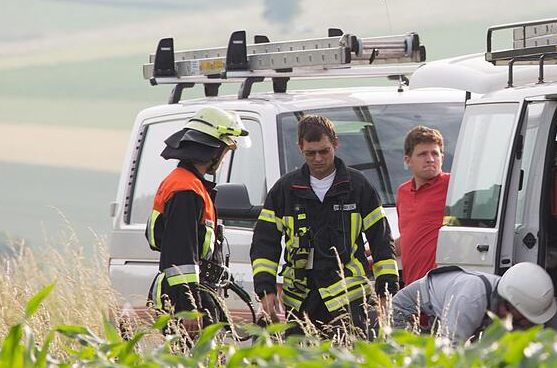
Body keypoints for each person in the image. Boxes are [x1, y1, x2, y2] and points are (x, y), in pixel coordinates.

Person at [251, 114, 399, 339]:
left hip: (348, 298)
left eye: (324, 151)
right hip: (300, 301)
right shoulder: (285, 190)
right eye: (311, 153)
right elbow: (264, 244)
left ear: (335, 144)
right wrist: (266, 289)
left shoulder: (358, 186)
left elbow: (381, 241)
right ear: (300, 147)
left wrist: (386, 290)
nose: (318, 158)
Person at [145, 106, 249, 336]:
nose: (223, 157)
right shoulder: (186, 190)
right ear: (213, 150)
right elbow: (180, 253)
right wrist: (189, 308)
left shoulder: (186, 183)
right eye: (225, 149)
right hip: (187, 299)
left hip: (192, 293)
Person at [390, 262, 556, 344]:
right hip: (408, 313)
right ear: (506, 305)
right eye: (521, 320)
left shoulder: (508, 289)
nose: (524, 325)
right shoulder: (471, 300)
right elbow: (449, 349)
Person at [395, 126, 451, 286]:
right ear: (408, 160)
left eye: (435, 153)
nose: (430, 159)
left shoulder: (453, 185)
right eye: (422, 154)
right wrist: (371, 251)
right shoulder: (403, 192)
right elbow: (409, 237)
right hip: (412, 286)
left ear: (442, 157)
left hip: (442, 285)